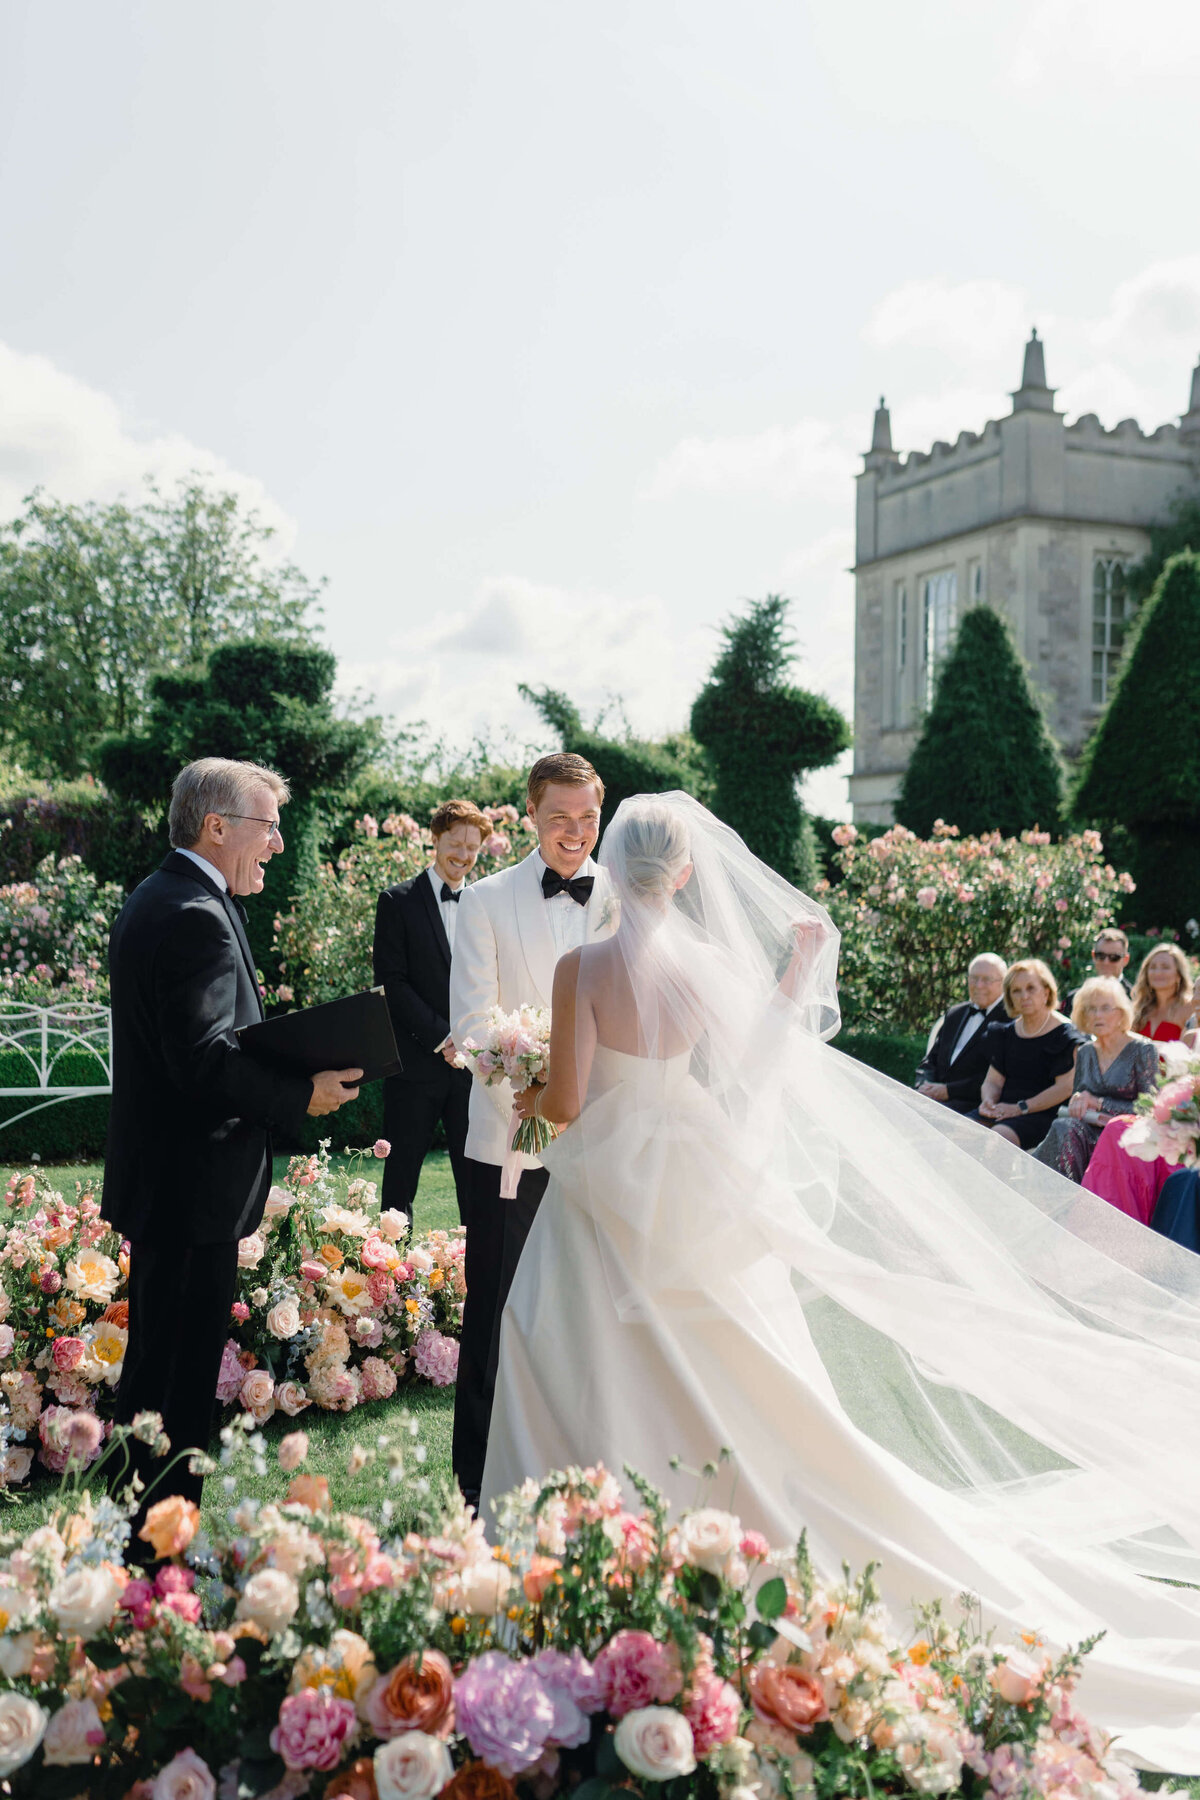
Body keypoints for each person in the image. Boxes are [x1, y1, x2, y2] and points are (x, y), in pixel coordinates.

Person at [480, 791, 1200, 1772]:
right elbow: (754, 1066)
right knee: (730, 1356)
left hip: (606, 1184)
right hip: (691, 1176)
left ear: (614, 865)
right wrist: (787, 979)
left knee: (567, 1344)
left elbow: (565, 1104)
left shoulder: (582, 966)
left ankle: (569, 1555)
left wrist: (518, 1083)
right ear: (685, 874)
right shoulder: (702, 972)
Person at [106, 759, 359, 1514]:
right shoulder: (191, 914)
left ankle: (140, 1538)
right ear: (216, 827)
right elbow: (204, 1060)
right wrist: (299, 1093)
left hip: (171, 1188)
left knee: (156, 1377)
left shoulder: (166, 897)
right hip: (189, 1194)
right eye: (268, 826)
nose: (279, 844)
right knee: (175, 1387)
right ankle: (158, 1550)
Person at [448, 752, 616, 1510]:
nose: (575, 833)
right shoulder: (484, 900)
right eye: (560, 819)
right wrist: (537, 1077)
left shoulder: (625, 897)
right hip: (511, 1143)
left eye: (587, 819)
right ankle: (475, 1481)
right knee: (496, 1312)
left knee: (591, 1315)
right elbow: (472, 1023)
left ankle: (581, 1472)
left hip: (607, 1146)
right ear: (531, 817)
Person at [373, 799, 490, 1225]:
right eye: (455, 842)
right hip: (415, 1067)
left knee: (476, 1179)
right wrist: (444, 1038)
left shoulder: (485, 902)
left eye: (472, 847)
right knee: (399, 1182)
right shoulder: (396, 901)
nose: (463, 854)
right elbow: (391, 984)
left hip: (473, 1070)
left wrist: (473, 1042)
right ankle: (384, 1281)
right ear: (435, 838)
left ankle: (473, 1279)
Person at [1033, 977, 1158, 1182]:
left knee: (1065, 1130)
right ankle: (1059, 1193)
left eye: (1106, 1008)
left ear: (1121, 1013)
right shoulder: (1085, 1052)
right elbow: (1079, 1095)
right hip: (1087, 1131)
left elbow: (1151, 1109)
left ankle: (1054, 1192)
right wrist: (1078, 1101)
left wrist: (1099, 1103)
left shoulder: (1143, 1050)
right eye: (1091, 1009)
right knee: (1064, 1126)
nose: (1097, 1015)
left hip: (1125, 1134)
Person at [969, 959, 1086, 1149]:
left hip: (1043, 1114)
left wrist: (1020, 1108)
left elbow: (1065, 1088)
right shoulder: (1005, 1033)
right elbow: (993, 1081)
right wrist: (988, 1101)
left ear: (1046, 992)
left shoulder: (1065, 1035)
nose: (1024, 996)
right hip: (1003, 1109)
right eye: (1016, 990)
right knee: (960, 1131)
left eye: (1031, 988)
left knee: (996, 1139)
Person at [914, 954, 1008, 1112]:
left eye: (987, 980)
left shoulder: (1010, 1021)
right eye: (974, 978)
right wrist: (924, 1086)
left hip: (972, 1107)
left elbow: (996, 1077)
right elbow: (929, 1062)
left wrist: (948, 1091)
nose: (978, 985)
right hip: (931, 1100)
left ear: (1004, 983)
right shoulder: (955, 1013)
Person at [1130, 942, 1196, 1044]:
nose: (1158, 972)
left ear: (1178, 975)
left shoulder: (1190, 1008)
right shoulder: (1139, 1008)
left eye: (1165, 967)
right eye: (1153, 967)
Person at [1063, 928, 1133, 1015]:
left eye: (1114, 957)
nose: (1106, 962)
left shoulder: (1136, 1001)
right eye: (1100, 956)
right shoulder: (1075, 999)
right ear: (1093, 956)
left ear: (1125, 960)